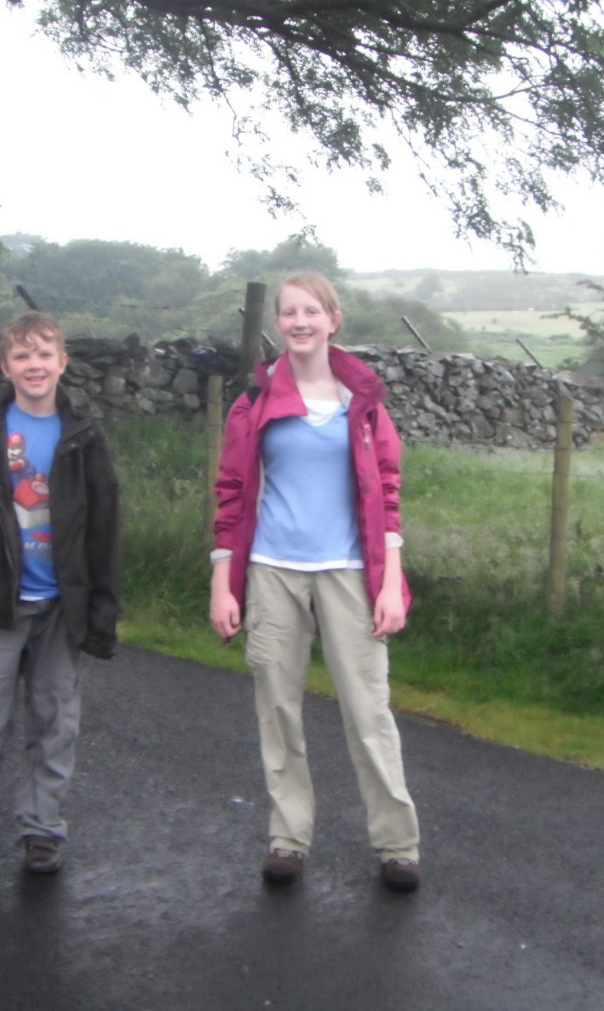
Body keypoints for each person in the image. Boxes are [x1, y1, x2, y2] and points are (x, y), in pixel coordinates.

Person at [209, 271, 422, 891]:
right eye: (288, 313)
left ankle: (397, 843)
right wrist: (224, 584)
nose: (299, 322)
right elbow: (230, 496)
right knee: (277, 707)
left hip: (353, 573)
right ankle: (287, 836)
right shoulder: (254, 402)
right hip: (273, 571)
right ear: (277, 325)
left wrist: (391, 584)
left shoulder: (365, 404)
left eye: (311, 311)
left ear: (333, 319)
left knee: (368, 710)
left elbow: (387, 494)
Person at [0, 310, 121, 873]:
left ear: (62, 362)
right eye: (22, 355)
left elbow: (107, 528)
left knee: (54, 719)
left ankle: (43, 828)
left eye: (44, 354)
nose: (33, 365)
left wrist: (102, 608)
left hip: (62, 607)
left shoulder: (83, 437)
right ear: (4, 365)